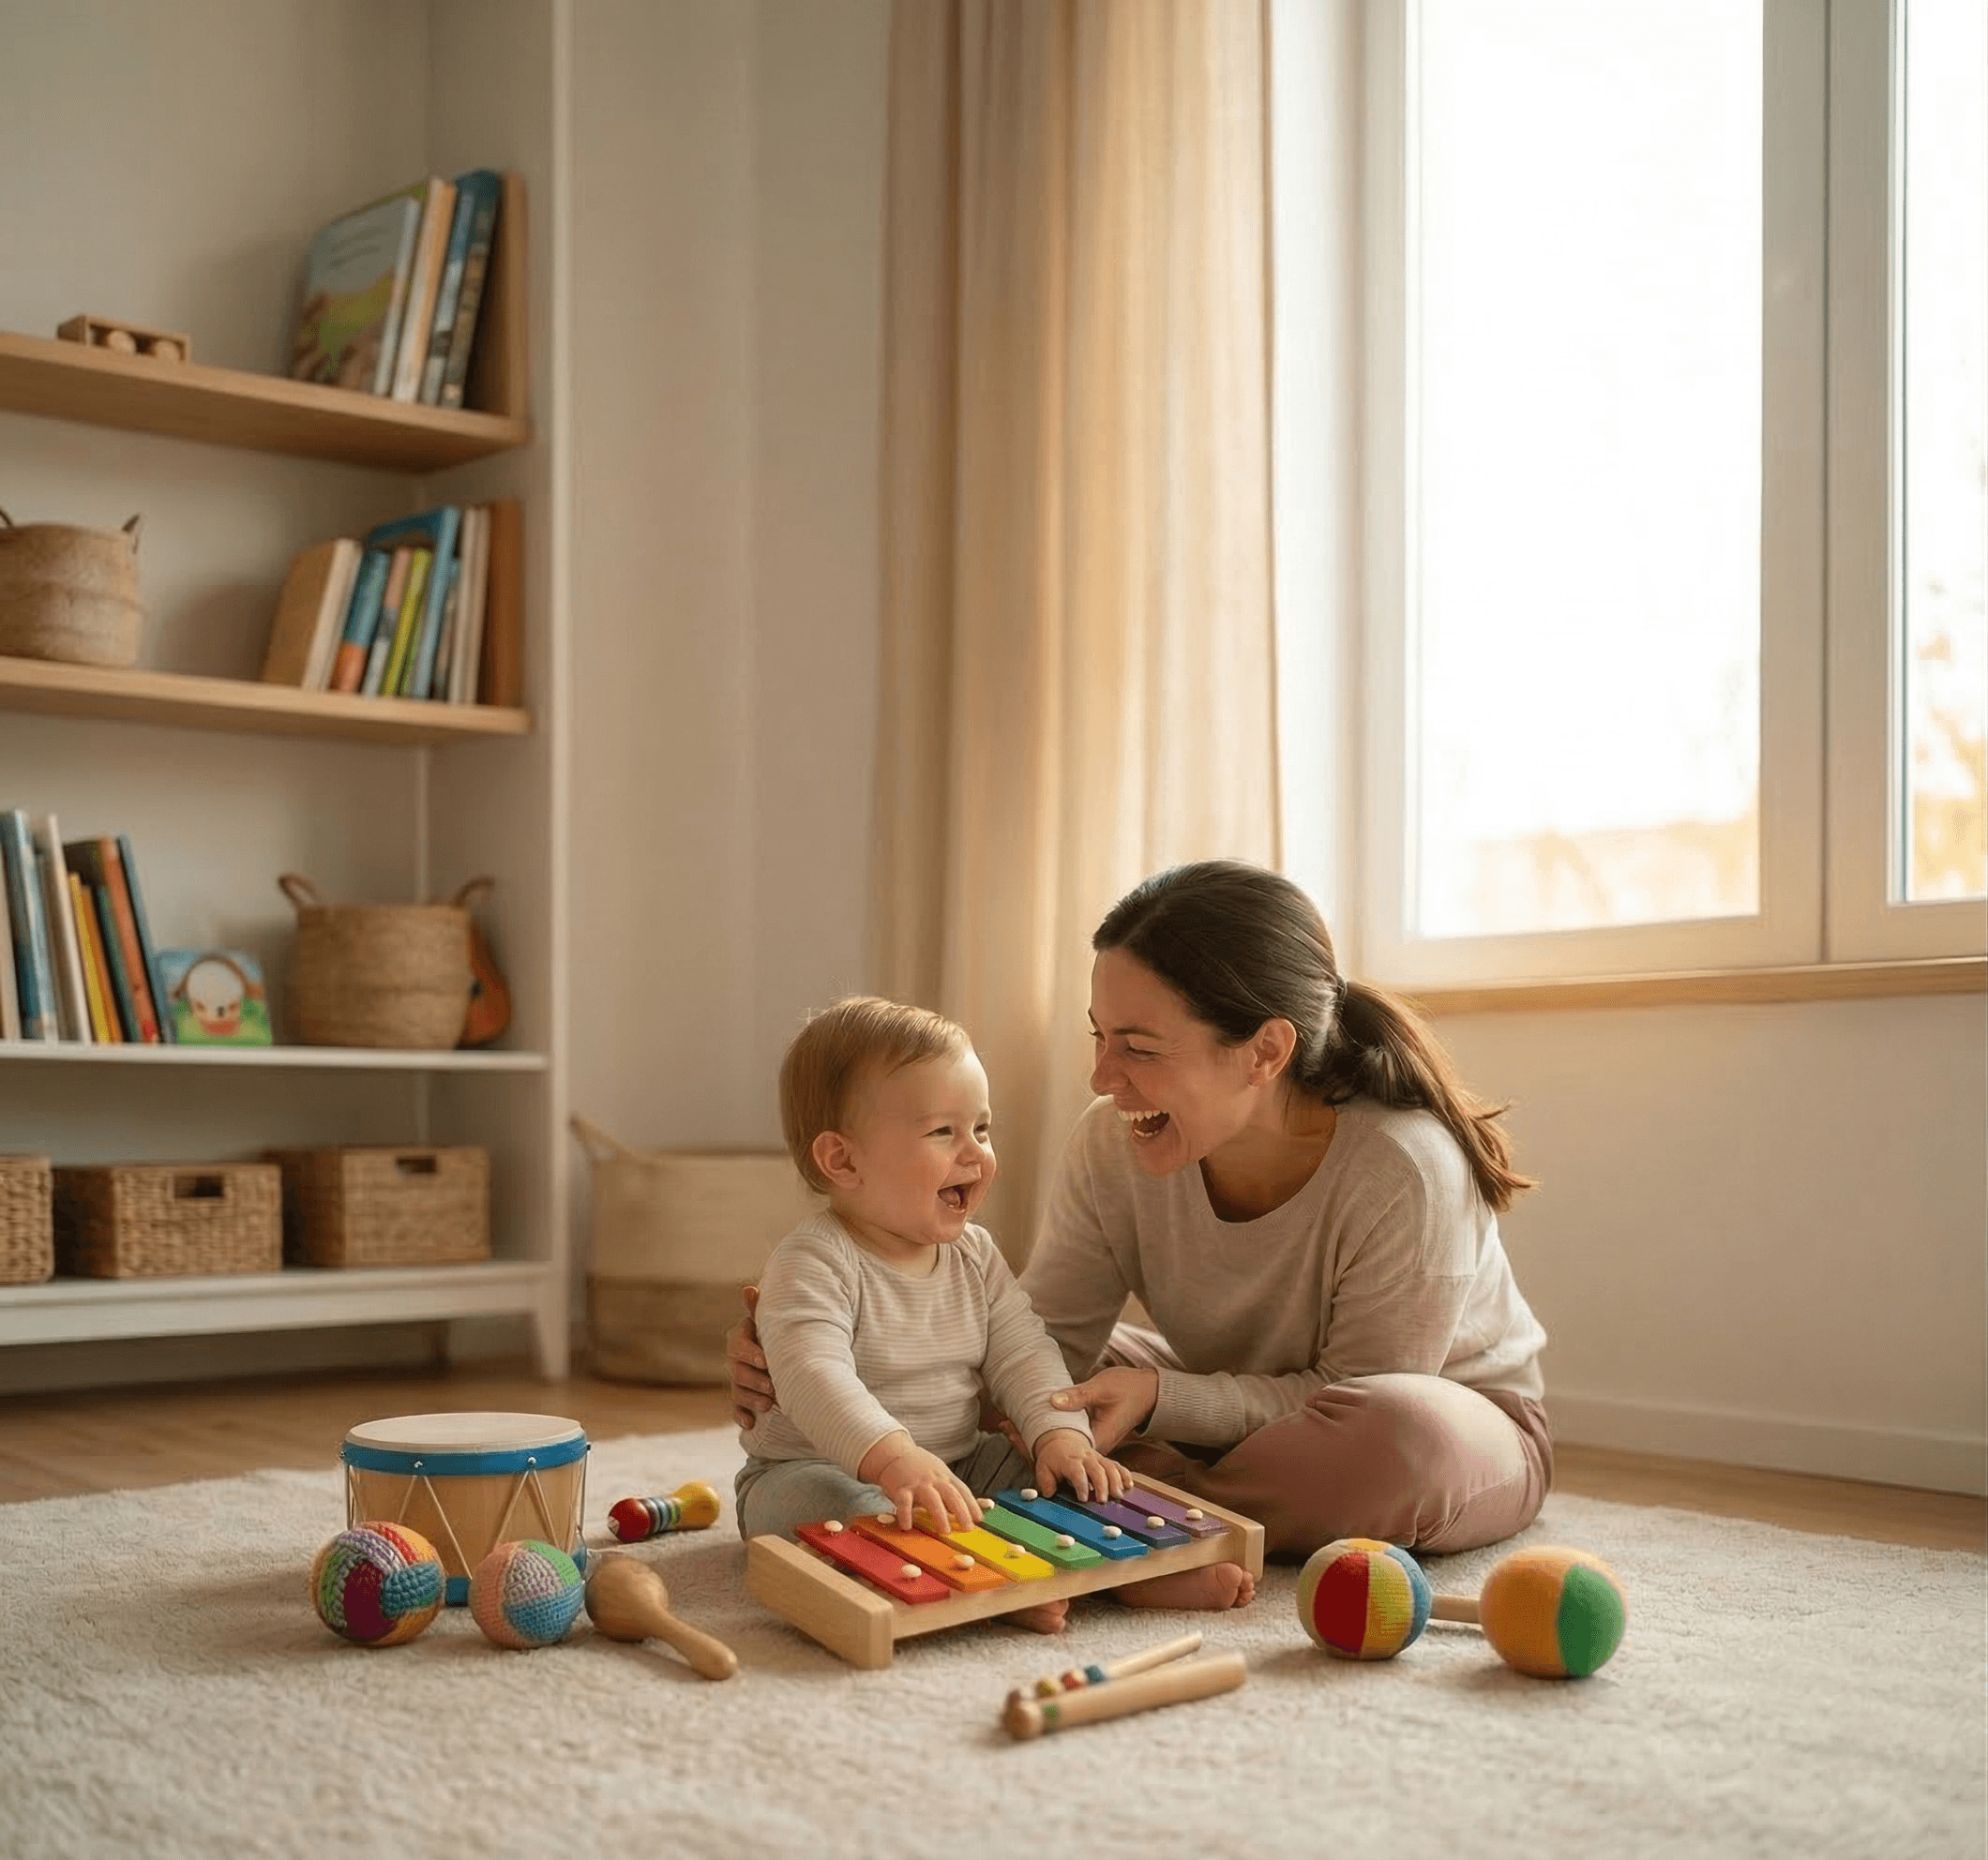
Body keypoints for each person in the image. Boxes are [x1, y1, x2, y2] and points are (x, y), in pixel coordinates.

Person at [731, 862, 1553, 1566]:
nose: (1101, 1077)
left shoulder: (1405, 1167)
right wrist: (825, 1351)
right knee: (1024, 1363)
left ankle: (1143, 1503)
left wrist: (1163, 1403)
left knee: (1396, 1439)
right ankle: (1113, 1499)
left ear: (1266, 1050)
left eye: (1139, 1047)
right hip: (1224, 1410)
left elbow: (1354, 1390)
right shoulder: (1114, 1144)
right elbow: (1040, 1337)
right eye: (1098, 1037)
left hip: (1425, 1423)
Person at [736, 996, 1144, 1632]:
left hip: (959, 1461)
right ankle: (989, 1588)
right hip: (815, 1467)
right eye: (942, 1133)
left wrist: (1057, 1433)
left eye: (981, 1129)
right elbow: (815, 1376)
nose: (975, 1154)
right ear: (843, 1160)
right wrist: (893, 1456)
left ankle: (1127, 1578)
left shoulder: (974, 1255)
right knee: (836, 1509)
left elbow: (1023, 1350)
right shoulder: (813, 1261)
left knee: (1065, 1483)